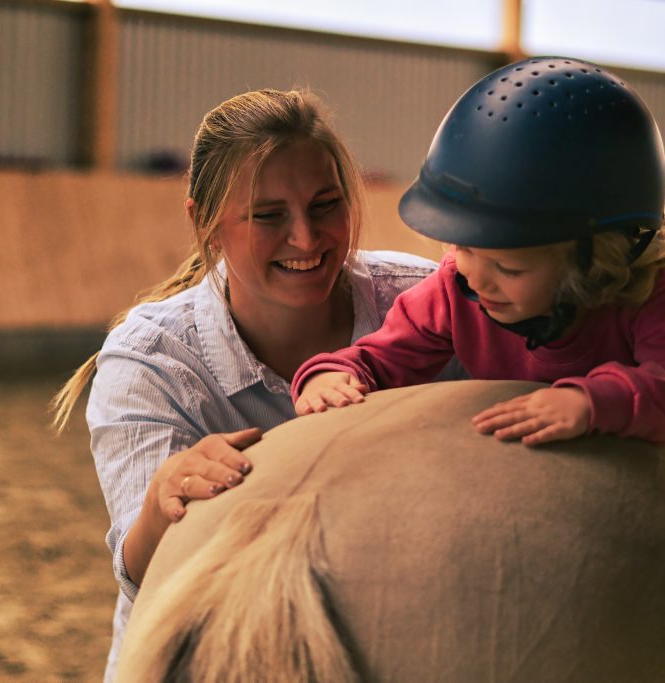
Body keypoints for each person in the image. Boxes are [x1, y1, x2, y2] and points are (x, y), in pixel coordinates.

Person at [50, 88, 462, 680]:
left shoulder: (429, 302)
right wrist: (165, 497)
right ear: (206, 224)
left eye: (327, 205)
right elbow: (139, 571)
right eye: (268, 216)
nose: (306, 237)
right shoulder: (152, 361)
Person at [292, 56, 665, 445]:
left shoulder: (649, 293)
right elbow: (377, 358)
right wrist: (330, 374)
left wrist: (590, 403)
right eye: (464, 248)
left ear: (598, 261)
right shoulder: (454, 290)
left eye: (509, 265)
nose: (477, 279)